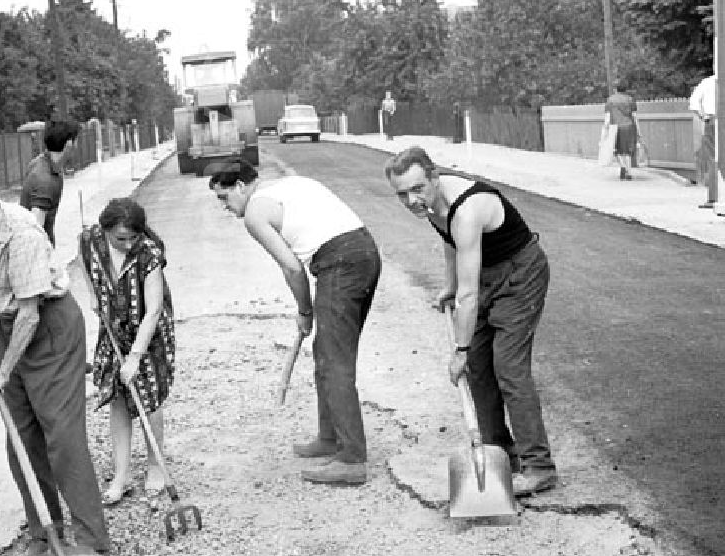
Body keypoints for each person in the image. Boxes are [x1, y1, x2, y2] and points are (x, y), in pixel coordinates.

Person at [0, 164, 110, 556]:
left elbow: (31, 316)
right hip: (12, 327)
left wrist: (2, 371)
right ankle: (43, 536)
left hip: (48, 329)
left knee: (63, 440)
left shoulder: (23, 234)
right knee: (21, 439)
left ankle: (92, 541)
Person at [385, 146, 557, 497]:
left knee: (508, 367)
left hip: (520, 274)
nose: (412, 199)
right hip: (485, 274)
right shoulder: (431, 206)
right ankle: (499, 455)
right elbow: (451, 244)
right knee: (479, 368)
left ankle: (539, 467)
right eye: (402, 193)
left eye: (418, 188)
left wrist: (460, 349)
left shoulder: (468, 208)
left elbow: (468, 295)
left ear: (434, 176)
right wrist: (448, 284)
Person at [208, 160, 381, 486]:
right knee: (328, 353)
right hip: (365, 252)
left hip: (341, 262)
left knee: (334, 360)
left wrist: (304, 311)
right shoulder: (290, 184)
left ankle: (352, 459)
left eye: (224, 197)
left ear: (242, 186)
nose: (225, 208)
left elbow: (292, 269)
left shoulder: (255, 214)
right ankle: (329, 437)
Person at [78, 198, 176, 505]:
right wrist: (93, 292)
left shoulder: (148, 254)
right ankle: (121, 474)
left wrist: (135, 357)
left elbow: (154, 309)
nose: (128, 243)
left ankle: (154, 466)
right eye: (121, 238)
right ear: (105, 230)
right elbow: (81, 254)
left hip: (148, 332)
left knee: (149, 398)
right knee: (118, 397)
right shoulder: (91, 240)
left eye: (134, 236)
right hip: (112, 328)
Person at [20, 118, 80, 245]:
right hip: (37, 253)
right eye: (76, 141)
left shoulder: (41, 162)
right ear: (69, 144)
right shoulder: (45, 180)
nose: (77, 146)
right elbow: (35, 231)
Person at [689, 74, 717, 209]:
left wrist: (703, 116)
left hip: (712, 120)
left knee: (713, 158)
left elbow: (694, 103)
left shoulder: (707, 82)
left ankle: (714, 198)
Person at [603, 81, 638, 181]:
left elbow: (607, 117)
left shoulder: (610, 100)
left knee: (616, 150)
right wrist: (639, 131)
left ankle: (623, 166)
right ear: (626, 89)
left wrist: (606, 130)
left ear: (616, 89)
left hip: (615, 127)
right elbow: (635, 117)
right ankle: (629, 172)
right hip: (629, 127)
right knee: (627, 151)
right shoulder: (630, 100)